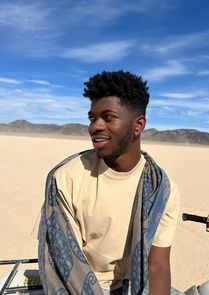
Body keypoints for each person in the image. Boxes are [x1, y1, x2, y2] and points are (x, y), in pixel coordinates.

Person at [38, 70, 180, 295]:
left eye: (108, 117)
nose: (95, 127)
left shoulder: (161, 188)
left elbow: (157, 265)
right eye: (92, 118)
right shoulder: (66, 178)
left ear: (138, 125)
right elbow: (65, 266)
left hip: (131, 284)